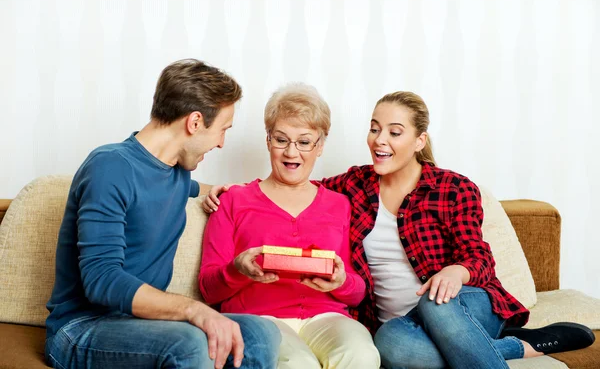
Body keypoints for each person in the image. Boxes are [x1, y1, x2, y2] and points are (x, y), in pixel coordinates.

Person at [203, 91, 595, 369]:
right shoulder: (350, 187)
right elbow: (294, 188)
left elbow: (479, 258)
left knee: (434, 303)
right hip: (399, 325)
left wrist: (455, 271)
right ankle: (513, 348)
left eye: (394, 131)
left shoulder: (452, 187)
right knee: (393, 347)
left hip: (460, 303)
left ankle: (488, 343)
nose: (380, 140)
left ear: (418, 140)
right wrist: (217, 191)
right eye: (375, 129)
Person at [45, 59, 281, 369]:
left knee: (261, 332)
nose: (222, 143)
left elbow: (188, 188)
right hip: (81, 328)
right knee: (188, 345)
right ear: (194, 122)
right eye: (222, 130)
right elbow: (101, 279)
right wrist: (194, 310)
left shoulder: (177, 172)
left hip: (141, 325)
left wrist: (229, 192)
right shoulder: (110, 167)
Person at [198, 83, 380, 369]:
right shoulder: (232, 200)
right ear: (268, 141)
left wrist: (341, 281)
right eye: (281, 140)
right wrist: (238, 269)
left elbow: (358, 293)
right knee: (298, 365)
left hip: (327, 318)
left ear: (320, 146)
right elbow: (208, 289)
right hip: (261, 319)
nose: (291, 152)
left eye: (304, 142)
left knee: (363, 355)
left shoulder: (340, 204)